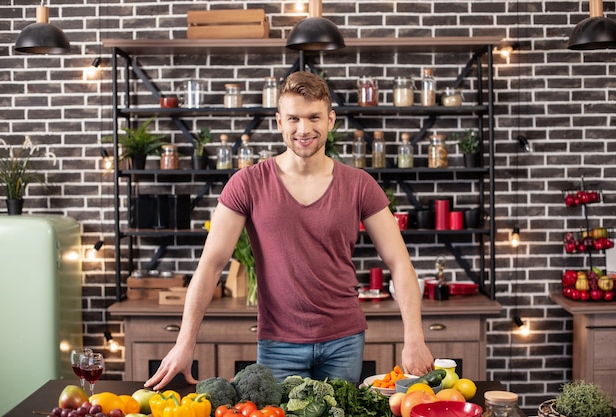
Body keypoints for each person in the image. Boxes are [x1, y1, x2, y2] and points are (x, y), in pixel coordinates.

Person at [145, 71, 434, 390]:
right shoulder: (248, 183)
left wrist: (415, 338)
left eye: (314, 117)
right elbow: (211, 265)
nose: (304, 129)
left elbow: (399, 263)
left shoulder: (359, 185)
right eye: (294, 118)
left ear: (331, 120)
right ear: (279, 121)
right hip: (278, 345)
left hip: (344, 342)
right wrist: (185, 343)